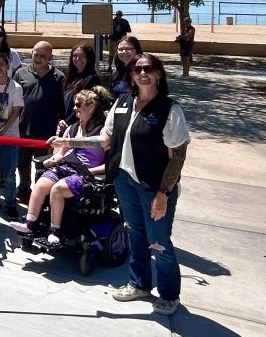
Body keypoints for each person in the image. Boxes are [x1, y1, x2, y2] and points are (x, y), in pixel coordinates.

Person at [50, 54, 189, 315]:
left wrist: (163, 194)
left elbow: (178, 156)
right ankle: (139, 284)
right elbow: (103, 141)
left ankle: (170, 294)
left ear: (159, 74)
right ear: (131, 75)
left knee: (158, 241)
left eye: (149, 68)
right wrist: (68, 142)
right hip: (124, 181)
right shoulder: (123, 103)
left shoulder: (169, 109)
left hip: (154, 187)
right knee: (135, 233)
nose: (142, 73)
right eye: (137, 69)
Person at [12, 88, 109, 245]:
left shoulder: (103, 132)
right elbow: (61, 153)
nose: (74, 108)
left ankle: (54, 231)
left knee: (58, 189)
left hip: (87, 173)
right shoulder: (71, 129)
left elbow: (110, 164)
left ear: (91, 107)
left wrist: (91, 171)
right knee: (41, 183)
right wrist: (52, 160)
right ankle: (30, 224)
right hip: (66, 167)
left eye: (78, 105)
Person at [12, 41, 64, 199]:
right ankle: (23, 188)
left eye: (43, 55)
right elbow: (13, 100)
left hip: (46, 130)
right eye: (36, 54)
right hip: (23, 127)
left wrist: (62, 121)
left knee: (42, 163)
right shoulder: (20, 73)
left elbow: (61, 104)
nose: (38, 58)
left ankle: (39, 193)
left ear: (50, 57)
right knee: (22, 162)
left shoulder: (59, 77)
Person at [0, 52, 24, 219]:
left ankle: (10, 203)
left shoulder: (16, 87)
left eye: (1, 64)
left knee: (8, 173)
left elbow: (16, 112)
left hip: (9, 135)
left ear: (8, 66)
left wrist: (1, 131)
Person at [60, 44, 101, 130]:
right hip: (65, 124)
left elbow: (85, 104)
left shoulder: (92, 79)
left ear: (89, 58)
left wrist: (67, 122)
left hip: (80, 125)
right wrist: (61, 120)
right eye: (75, 56)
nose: (78, 59)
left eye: (82, 56)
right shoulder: (69, 78)